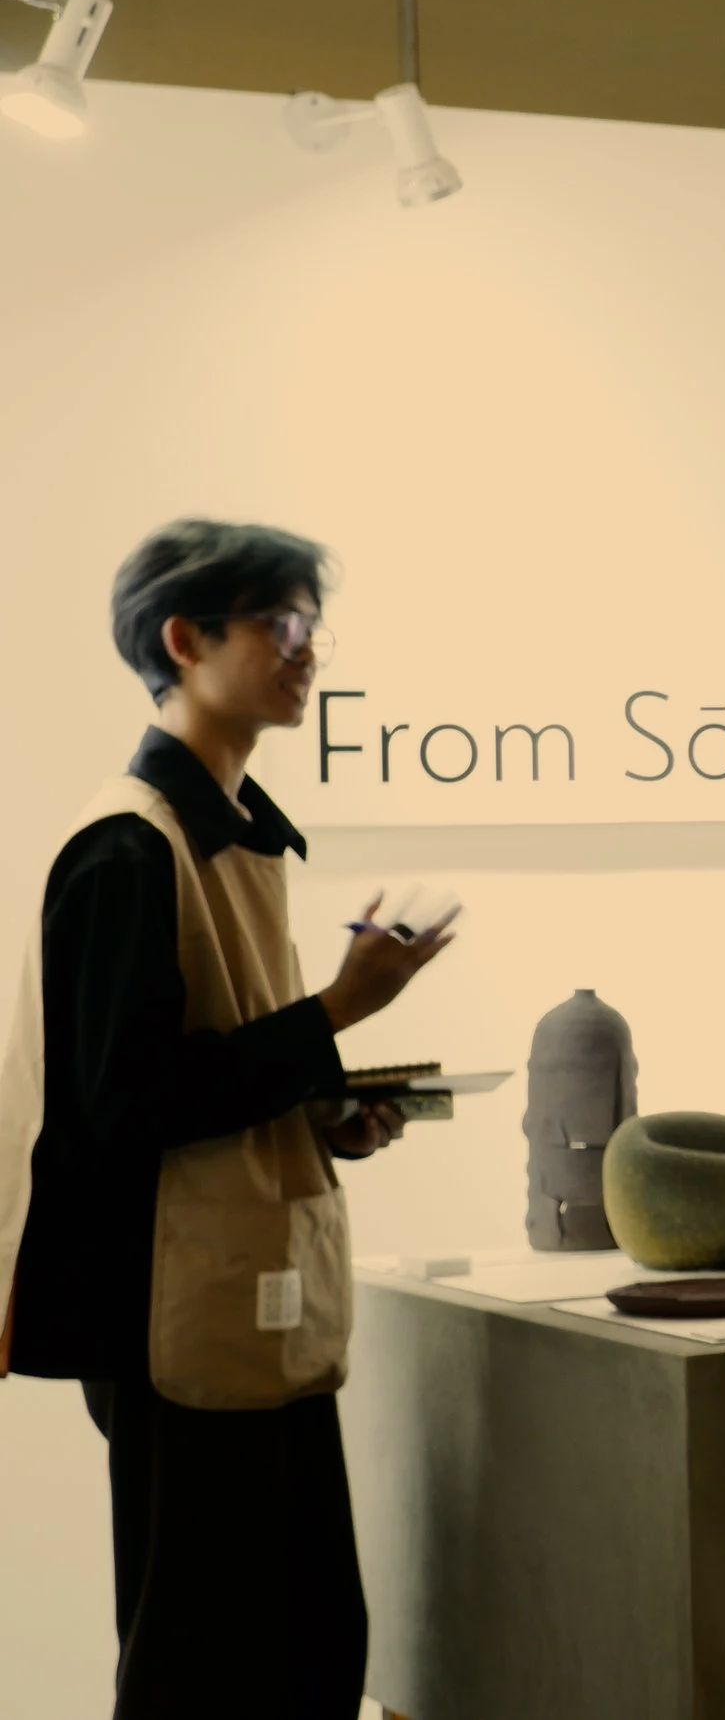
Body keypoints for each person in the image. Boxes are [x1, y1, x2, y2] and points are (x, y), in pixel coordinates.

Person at [0, 519, 453, 1720]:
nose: (309, 652)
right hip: (171, 1315)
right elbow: (125, 1103)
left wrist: (327, 1112)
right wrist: (333, 1013)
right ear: (184, 639)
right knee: (203, 1658)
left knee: (308, 1641)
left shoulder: (229, 832)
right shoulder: (128, 848)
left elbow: (206, 1067)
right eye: (284, 624)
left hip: (240, 1300)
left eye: (314, 627)